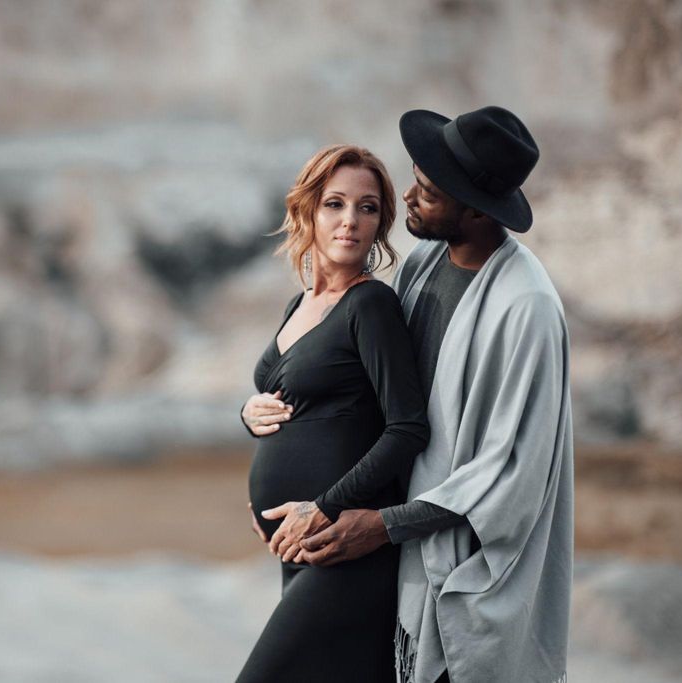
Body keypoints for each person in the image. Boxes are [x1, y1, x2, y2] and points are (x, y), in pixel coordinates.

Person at [289, 106, 575, 683]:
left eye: (429, 192)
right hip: (388, 548)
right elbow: (383, 403)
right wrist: (299, 492)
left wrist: (383, 524)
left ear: (475, 209)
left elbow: (511, 476)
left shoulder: (527, 308)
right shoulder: (422, 265)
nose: (410, 200)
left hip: (465, 574)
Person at [235, 144, 430, 682]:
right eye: (335, 204)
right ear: (307, 210)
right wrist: (249, 415)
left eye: (367, 208)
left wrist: (321, 507)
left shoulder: (371, 306)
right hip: (295, 548)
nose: (350, 221)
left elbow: (407, 428)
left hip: (344, 549)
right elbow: (298, 401)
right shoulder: (298, 305)